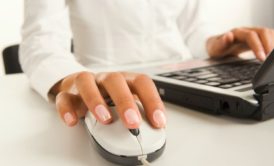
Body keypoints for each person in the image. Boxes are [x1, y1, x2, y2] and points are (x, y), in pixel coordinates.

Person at [20, 0, 274, 129]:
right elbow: (40, 40)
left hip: (184, 75)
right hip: (109, 87)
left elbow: (193, 27)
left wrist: (216, 43)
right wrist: (71, 78)